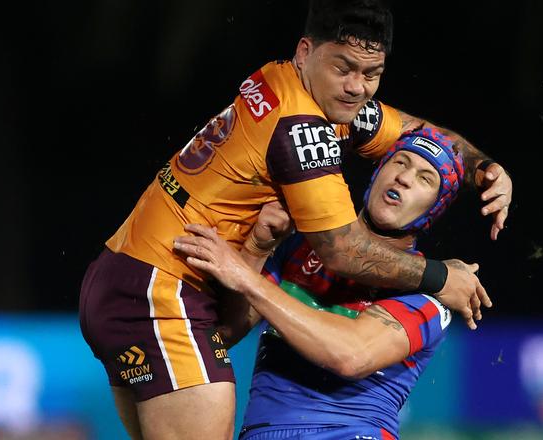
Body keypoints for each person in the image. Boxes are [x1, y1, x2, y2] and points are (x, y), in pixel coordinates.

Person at [79, 0, 510, 439]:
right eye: (343, 68)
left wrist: (484, 167)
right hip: (161, 288)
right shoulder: (302, 131)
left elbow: (423, 133)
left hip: (127, 276)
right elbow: (343, 251)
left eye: (372, 73)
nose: (357, 87)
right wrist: (444, 278)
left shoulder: (288, 84)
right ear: (305, 52)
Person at [174, 127, 470, 440]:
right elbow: (226, 332)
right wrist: (256, 250)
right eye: (400, 162)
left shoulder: (433, 292)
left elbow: (351, 356)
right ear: (378, 171)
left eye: (425, 178)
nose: (405, 178)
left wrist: (244, 276)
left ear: (433, 210)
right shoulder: (298, 244)